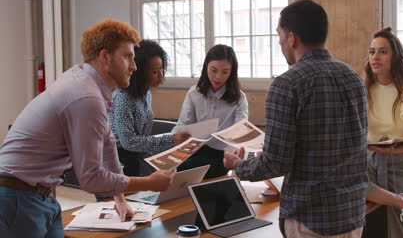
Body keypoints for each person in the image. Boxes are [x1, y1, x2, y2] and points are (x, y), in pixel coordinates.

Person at [0, 18, 175, 237]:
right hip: (17, 195)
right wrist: (149, 183)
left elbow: (108, 145)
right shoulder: (86, 97)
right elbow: (91, 178)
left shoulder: (86, 82)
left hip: (39, 195)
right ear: (105, 56)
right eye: (127, 57)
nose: (134, 66)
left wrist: (119, 199)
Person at [223, 0, 368, 237]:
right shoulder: (353, 78)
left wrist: (238, 167)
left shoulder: (287, 84)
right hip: (351, 215)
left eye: (279, 34)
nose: (279, 42)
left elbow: (276, 163)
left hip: (310, 218)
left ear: (292, 38)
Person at [364, 27, 403, 238]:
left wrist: (393, 150)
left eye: (383, 51)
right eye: (372, 51)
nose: (375, 57)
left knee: (401, 231)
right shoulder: (362, 87)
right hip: (368, 162)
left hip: (399, 161)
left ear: (395, 56)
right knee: (370, 225)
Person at [109, 39, 190, 177]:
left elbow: (142, 139)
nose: (160, 76)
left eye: (161, 70)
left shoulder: (146, 93)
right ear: (139, 72)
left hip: (135, 157)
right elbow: (128, 142)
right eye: (154, 72)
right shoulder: (123, 98)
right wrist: (170, 140)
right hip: (118, 160)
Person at [172, 44, 248, 179]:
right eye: (213, 70)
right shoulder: (194, 93)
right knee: (170, 167)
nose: (218, 77)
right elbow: (183, 125)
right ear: (206, 66)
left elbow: (240, 133)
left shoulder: (239, 98)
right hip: (194, 149)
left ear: (232, 72)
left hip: (221, 154)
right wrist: (170, 145)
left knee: (181, 170)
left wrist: (237, 160)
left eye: (225, 72)